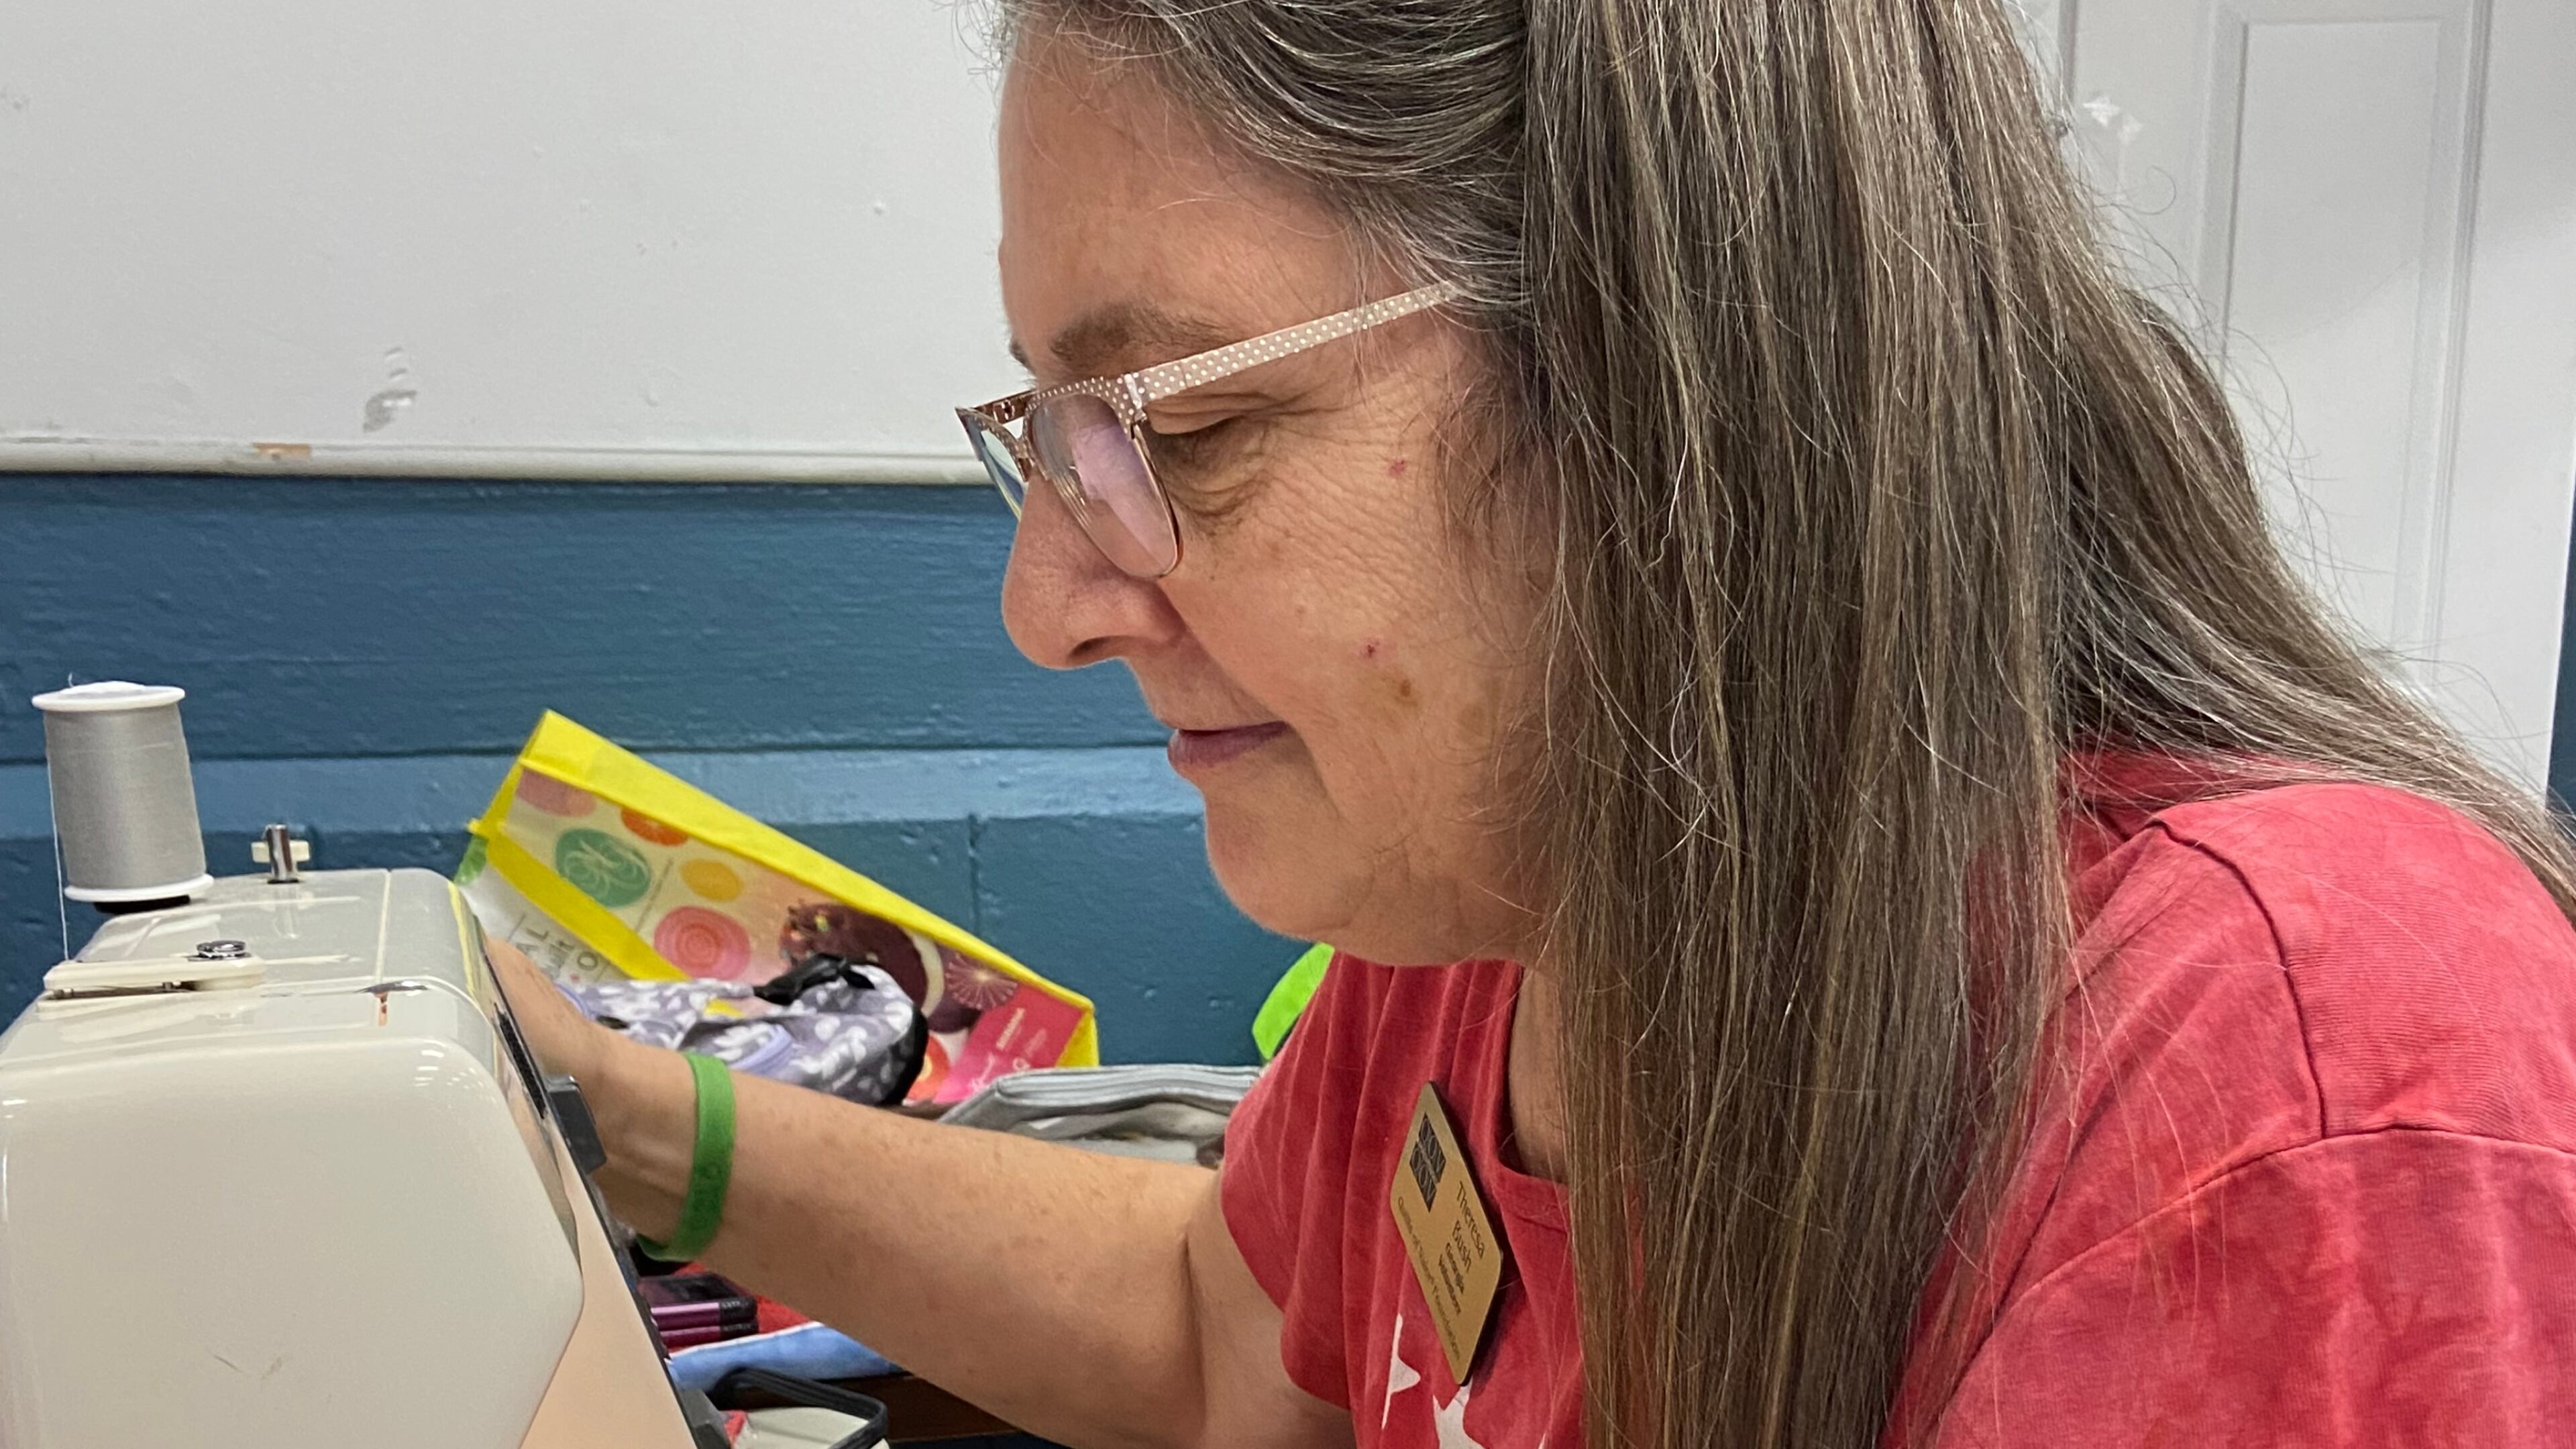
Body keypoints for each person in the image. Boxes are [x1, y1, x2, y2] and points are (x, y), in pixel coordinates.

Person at [492, 1, 2576, 1445]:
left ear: (1693, 378)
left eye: (1179, 427)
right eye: (1048, 430)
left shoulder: (2296, 1100)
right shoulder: (1502, 888)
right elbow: (1226, 1334)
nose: (1049, 606)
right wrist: (621, 1116)